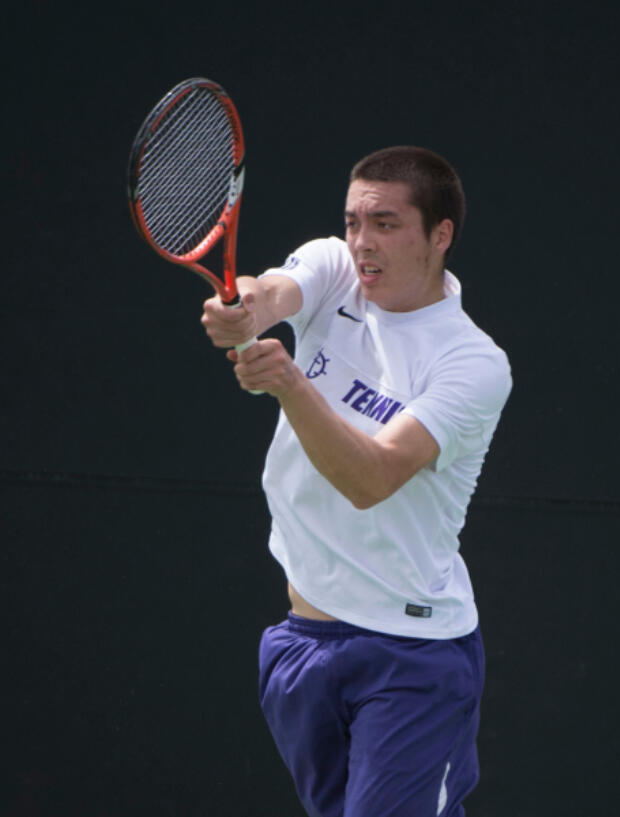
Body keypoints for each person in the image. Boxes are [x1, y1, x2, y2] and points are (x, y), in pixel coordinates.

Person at [201, 146, 511, 816]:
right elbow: (272, 291)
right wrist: (244, 309)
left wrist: (289, 383)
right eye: (352, 222)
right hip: (302, 645)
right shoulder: (335, 267)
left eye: (385, 223)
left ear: (440, 234)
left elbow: (370, 478)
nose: (362, 242)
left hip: (413, 661)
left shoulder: (471, 363)